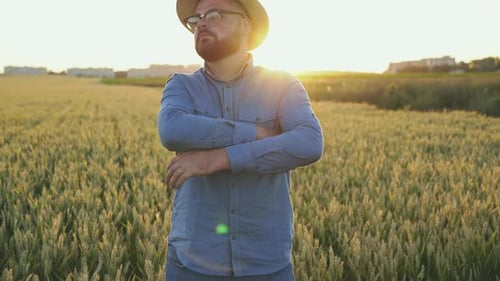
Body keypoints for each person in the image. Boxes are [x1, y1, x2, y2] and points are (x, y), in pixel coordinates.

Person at [157, 0, 323, 280]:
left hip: (266, 265)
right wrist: (253, 133)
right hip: (193, 264)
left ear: (246, 25)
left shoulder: (283, 84)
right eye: (196, 20)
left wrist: (218, 158)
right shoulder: (181, 85)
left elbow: (308, 143)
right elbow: (172, 130)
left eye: (214, 14)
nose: (202, 23)